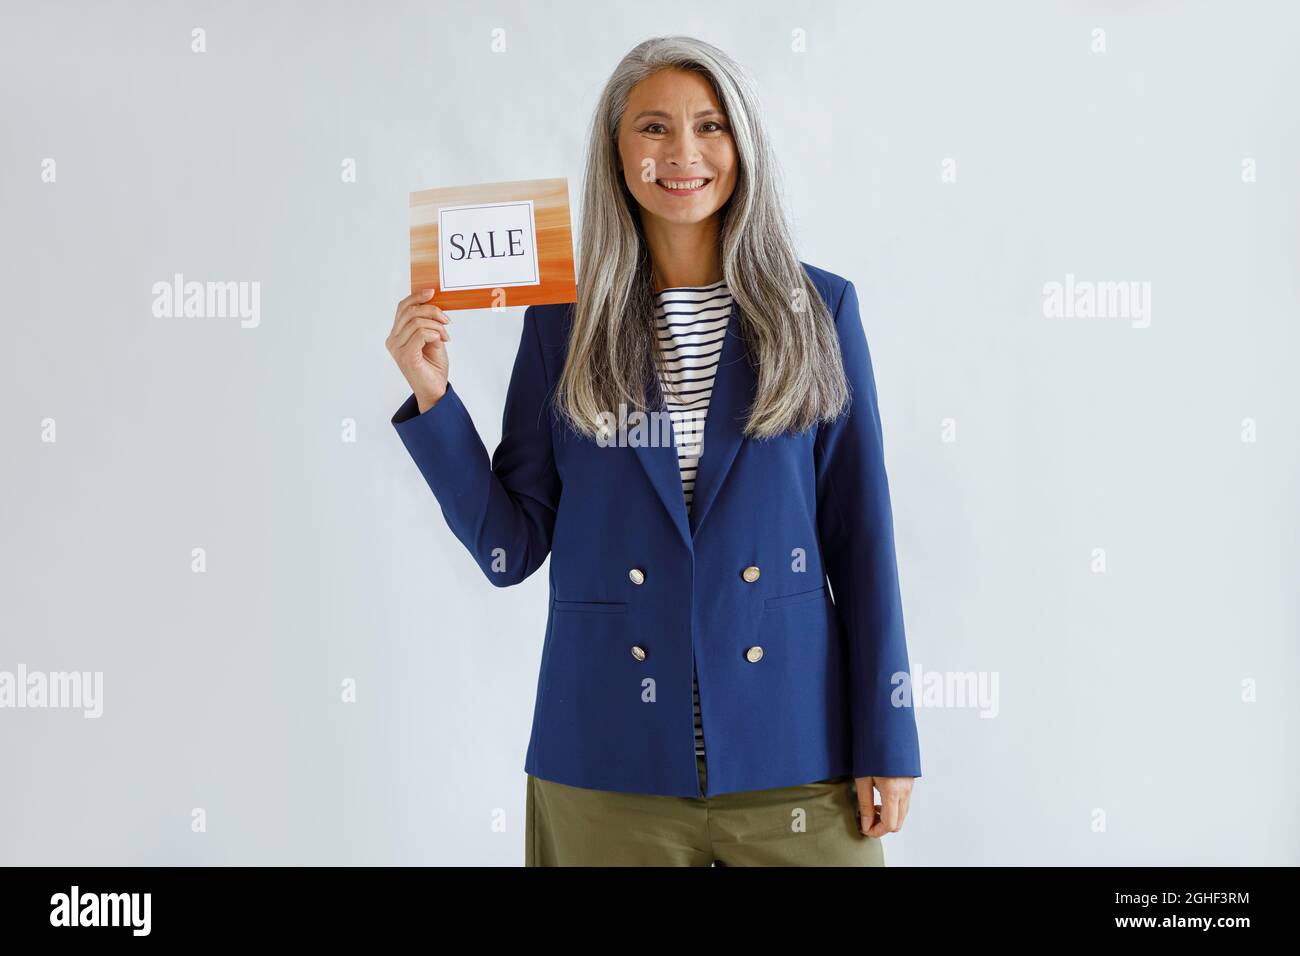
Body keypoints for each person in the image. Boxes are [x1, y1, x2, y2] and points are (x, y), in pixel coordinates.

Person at [386, 35, 920, 866]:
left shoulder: (820, 308)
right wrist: (434, 398)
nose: (684, 154)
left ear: (742, 146)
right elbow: (510, 547)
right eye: (654, 129)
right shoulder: (560, 327)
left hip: (796, 760)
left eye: (710, 126)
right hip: (605, 765)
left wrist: (887, 739)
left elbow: (862, 541)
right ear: (616, 152)